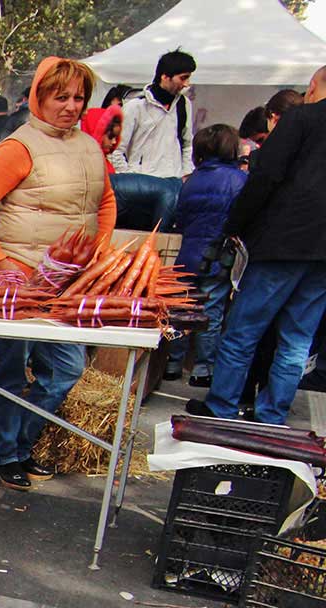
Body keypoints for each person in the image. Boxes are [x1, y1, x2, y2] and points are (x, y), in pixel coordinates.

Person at [0, 57, 117, 490]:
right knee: (8, 369)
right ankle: (3, 454)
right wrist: (1, 266)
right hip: (20, 280)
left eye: (78, 97)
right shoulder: (18, 147)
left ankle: (22, 446)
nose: (71, 105)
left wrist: (98, 252)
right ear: (38, 98)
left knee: (66, 368)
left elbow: (105, 202)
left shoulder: (89, 147)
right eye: (60, 96)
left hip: (67, 283)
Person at [192, 66, 326, 424]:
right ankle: (273, 415)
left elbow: (265, 175)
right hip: (322, 254)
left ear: (314, 87)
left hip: (283, 240)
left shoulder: (300, 118)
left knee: (244, 330)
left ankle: (221, 406)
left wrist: (236, 224)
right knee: (297, 339)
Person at [165, 124, 245, 384]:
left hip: (187, 255)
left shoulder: (191, 181)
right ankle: (202, 370)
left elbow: (181, 218)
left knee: (182, 311)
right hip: (217, 258)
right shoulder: (239, 179)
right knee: (210, 314)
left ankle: (173, 364)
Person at [112, 50, 196, 230]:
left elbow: (187, 143)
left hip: (172, 184)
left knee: (162, 242)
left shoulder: (184, 105)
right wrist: (130, 176)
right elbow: (117, 149)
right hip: (141, 186)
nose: (186, 84)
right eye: (183, 78)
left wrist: (184, 174)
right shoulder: (135, 107)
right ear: (165, 77)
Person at [80, 104, 123, 172]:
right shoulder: (85, 166)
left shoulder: (105, 163)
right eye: (110, 137)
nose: (114, 142)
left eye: (116, 137)